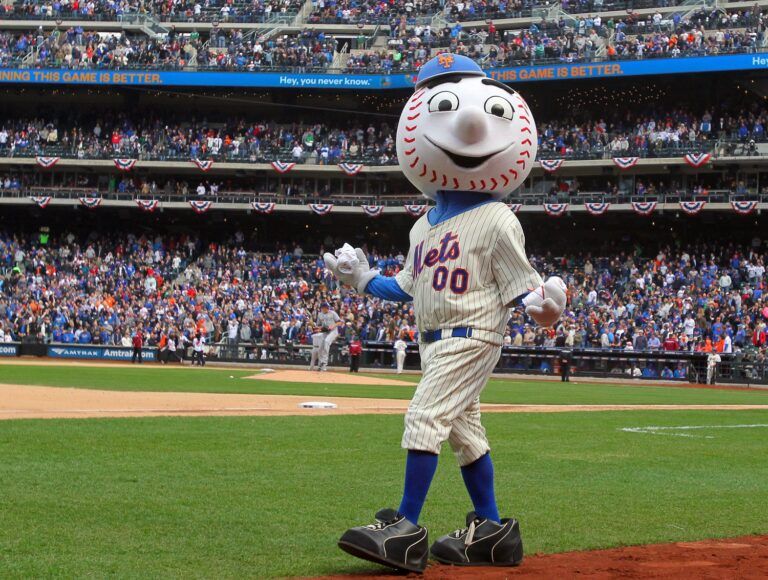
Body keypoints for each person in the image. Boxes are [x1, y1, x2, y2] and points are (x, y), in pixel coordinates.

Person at [324, 55, 567, 573]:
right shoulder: (422, 226)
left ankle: (406, 528)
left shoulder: (498, 217)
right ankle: (493, 531)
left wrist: (543, 310)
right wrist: (363, 278)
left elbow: (522, 286)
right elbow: (407, 287)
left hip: (473, 333)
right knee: (465, 434)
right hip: (432, 340)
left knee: (424, 416)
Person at [316, 302, 341, 371]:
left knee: (327, 342)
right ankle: (320, 364)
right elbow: (318, 325)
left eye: (327, 307)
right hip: (325, 332)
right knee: (320, 347)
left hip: (333, 331)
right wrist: (319, 328)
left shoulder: (332, 313)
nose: (327, 308)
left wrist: (333, 326)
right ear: (322, 308)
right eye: (325, 307)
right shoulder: (320, 314)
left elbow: (339, 322)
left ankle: (324, 364)